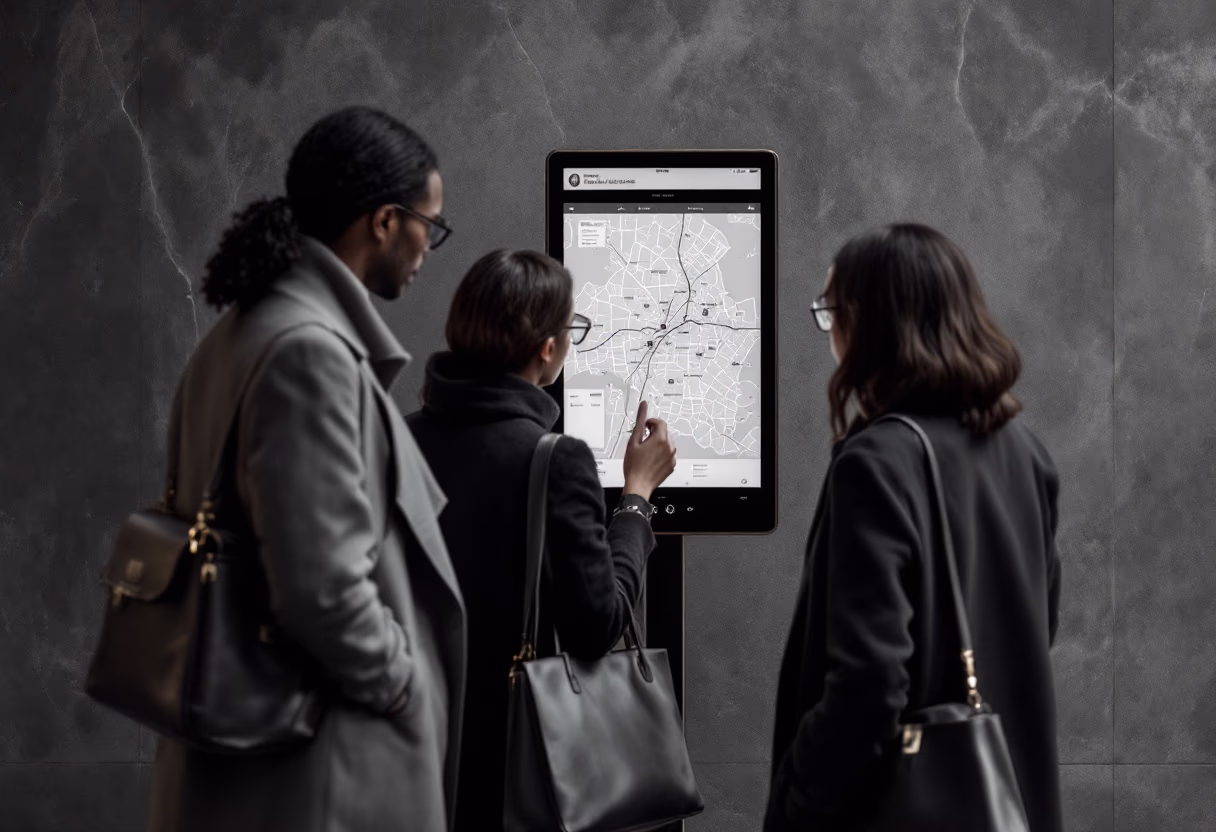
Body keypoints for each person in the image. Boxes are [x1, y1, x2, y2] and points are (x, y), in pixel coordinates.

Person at [147, 106, 465, 832]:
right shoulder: (308, 353)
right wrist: (402, 682)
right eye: (430, 225)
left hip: (254, 761)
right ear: (385, 222)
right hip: (316, 775)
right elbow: (320, 589)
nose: (428, 246)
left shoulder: (243, 333)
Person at [765, 224, 1062, 831]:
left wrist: (796, 798)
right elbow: (1037, 624)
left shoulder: (875, 464)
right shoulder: (1025, 452)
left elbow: (870, 683)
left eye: (832, 311)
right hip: (1007, 802)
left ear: (870, 322)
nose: (830, 331)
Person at [405, 249, 677, 832]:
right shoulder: (552, 460)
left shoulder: (394, 440)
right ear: (548, 350)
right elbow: (596, 625)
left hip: (403, 751)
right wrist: (636, 497)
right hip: (507, 766)